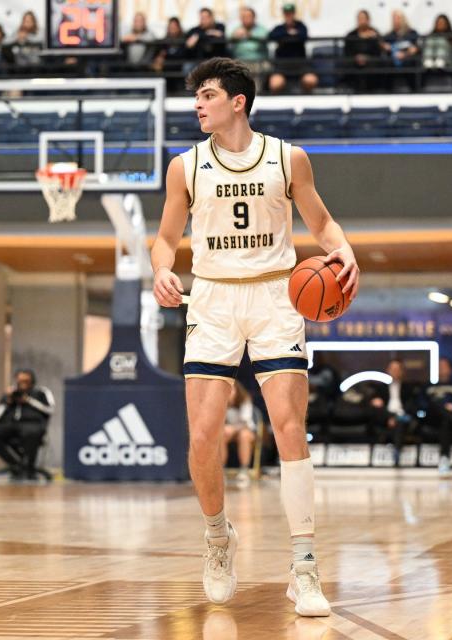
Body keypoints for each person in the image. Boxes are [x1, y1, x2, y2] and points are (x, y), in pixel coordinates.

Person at [150, 57, 359, 616]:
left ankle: (306, 568)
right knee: (201, 436)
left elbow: (321, 222)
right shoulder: (184, 166)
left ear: (237, 102)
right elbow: (166, 237)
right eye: (196, 96)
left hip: (275, 297)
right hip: (213, 299)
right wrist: (162, 267)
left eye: (208, 95)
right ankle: (218, 540)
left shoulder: (287, 158)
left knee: (290, 430)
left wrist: (344, 248)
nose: (197, 103)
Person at [0, 369, 53, 480]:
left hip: (33, 424)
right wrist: (8, 401)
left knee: (30, 434)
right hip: (12, 424)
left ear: (32, 381)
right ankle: (16, 464)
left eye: (26, 381)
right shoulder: (11, 394)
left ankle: (29, 468)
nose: (23, 384)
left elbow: (50, 409)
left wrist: (29, 400)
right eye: (20, 381)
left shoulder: (41, 392)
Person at [370, 358, 419, 456]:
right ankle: (394, 418)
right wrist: (390, 417)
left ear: (402, 371)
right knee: (377, 408)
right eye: (392, 369)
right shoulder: (380, 388)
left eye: (397, 369)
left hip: (403, 417)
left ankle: (397, 452)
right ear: (388, 370)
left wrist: (396, 417)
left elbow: (411, 405)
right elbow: (374, 404)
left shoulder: (409, 388)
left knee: (401, 421)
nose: (395, 372)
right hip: (385, 417)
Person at [267, 4, 318, 94]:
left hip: (300, 64)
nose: (288, 15)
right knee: (275, 84)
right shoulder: (279, 28)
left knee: (311, 80)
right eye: (286, 13)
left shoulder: (301, 26)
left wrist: (285, 36)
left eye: (290, 13)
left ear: (294, 14)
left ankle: (306, 101)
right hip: (282, 65)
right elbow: (271, 36)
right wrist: (289, 33)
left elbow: (304, 36)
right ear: (283, 14)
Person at [222, 383, 258, 486]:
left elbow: (245, 423)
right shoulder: (222, 403)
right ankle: (221, 469)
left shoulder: (245, 400)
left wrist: (233, 428)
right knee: (221, 435)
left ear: (237, 391)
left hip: (246, 430)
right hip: (229, 432)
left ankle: (244, 470)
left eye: (232, 391)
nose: (229, 393)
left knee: (244, 436)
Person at [382, 9, 421, 92]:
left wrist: (405, 54)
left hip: (408, 59)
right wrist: (384, 47)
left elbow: (415, 49)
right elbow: (384, 46)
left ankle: (414, 91)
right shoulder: (389, 35)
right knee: (385, 65)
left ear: (403, 19)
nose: (396, 20)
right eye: (394, 18)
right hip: (393, 61)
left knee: (411, 64)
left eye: (398, 18)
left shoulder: (412, 33)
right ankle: (387, 92)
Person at [231, 7, 270, 82]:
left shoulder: (261, 29)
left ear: (254, 17)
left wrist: (250, 35)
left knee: (264, 67)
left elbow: (265, 37)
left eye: (249, 16)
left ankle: (257, 92)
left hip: (258, 61)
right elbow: (229, 37)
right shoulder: (236, 29)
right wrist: (235, 36)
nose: (246, 19)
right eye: (244, 17)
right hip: (240, 61)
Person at [422, 13, 452, 89]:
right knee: (431, 39)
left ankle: (440, 59)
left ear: (446, 24)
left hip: (448, 62)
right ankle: (428, 60)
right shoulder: (430, 36)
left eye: (442, 23)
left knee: (441, 40)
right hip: (432, 62)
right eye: (438, 23)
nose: (440, 25)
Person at [152, 17, 188, 93]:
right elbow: (157, 57)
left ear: (179, 28)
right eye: (171, 27)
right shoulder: (163, 42)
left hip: (179, 70)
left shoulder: (184, 40)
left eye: (174, 27)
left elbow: (185, 54)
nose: (173, 29)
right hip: (166, 71)